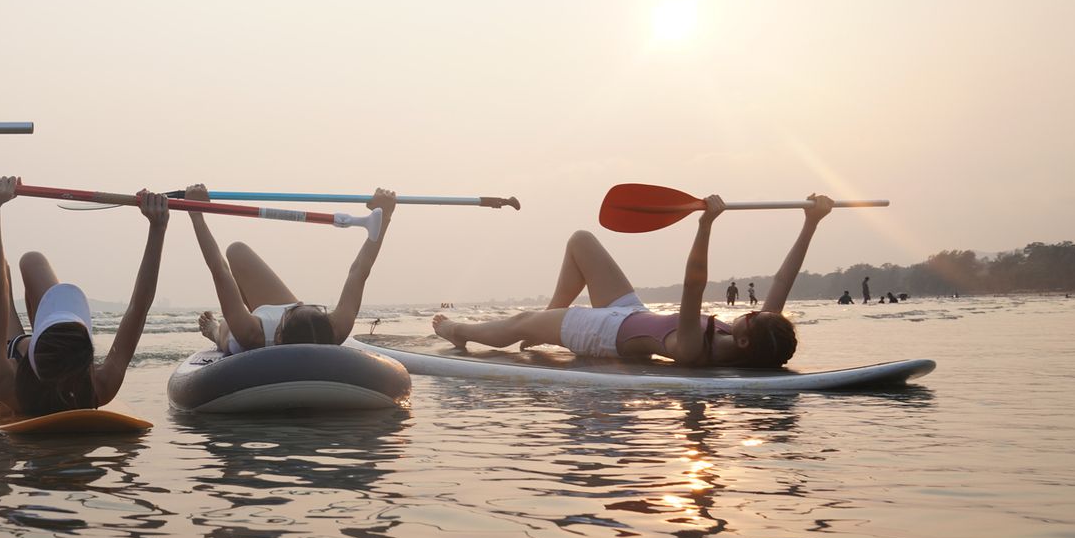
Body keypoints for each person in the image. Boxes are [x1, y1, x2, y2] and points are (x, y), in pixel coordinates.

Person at [431, 194, 838, 368]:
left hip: (604, 334)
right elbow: (785, 280)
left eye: (749, 318)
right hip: (630, 312)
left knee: (520, 321)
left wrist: (706, 224)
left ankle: (459, 332)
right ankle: (549, 320)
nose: (748, 315)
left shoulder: (695, 349)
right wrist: (812, 223)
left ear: (747, 341)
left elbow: (693, 284)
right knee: (581, 241)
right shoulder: (754, 336)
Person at [0, 177, 168, 417]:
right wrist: (158, 227)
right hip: (47, 353)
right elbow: (139, 307)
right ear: (88, 361)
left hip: (10, 353)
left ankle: (47, 336)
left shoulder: (5, 383)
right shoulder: (101, 386)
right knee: (32, 260)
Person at [190, 184, 400, 352]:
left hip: (251, 330)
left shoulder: (251, 334)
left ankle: (214, 330)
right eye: (298, 306)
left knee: (228, 331)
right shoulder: (336, 328)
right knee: (236, 251)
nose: (292, 306)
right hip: (290, 325)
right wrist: (384, 217)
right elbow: (359, 272)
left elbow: (220, 270)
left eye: (292, 309)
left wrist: (196, 213)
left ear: (279, 334)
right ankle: (250, 313)